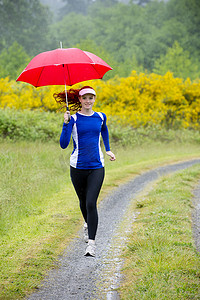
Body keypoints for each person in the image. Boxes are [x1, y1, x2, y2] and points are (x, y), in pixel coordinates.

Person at [54, 86, 116, 257]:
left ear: (94, 99)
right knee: (82, 202)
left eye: (91, 98)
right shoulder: (73, 119)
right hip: (77, 167)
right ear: (79, 100)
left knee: (91, 203)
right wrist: (65, 124)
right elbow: (63, 144)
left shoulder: (101, 116)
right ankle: (88, 224)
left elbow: (104, 130)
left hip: (97, 166)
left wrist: (108, 149)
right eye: (85, 98)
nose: (88, 101)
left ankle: (91, 244)